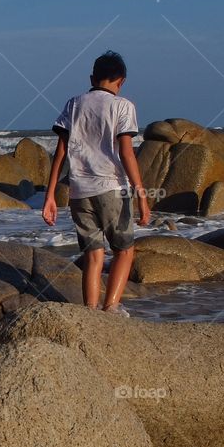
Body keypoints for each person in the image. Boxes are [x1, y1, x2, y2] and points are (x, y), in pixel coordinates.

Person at [42, 51, 150, 317]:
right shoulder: (123, 106)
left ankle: (91, 313)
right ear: (121, 81)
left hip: (79, 191)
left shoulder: (74, 104)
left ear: (92, 78)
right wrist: (141, 193)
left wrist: (50, 195)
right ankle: (111, 307)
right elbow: (126, 152)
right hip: (111, 187)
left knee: (93, 255)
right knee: (124, 250)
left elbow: (61, 151)